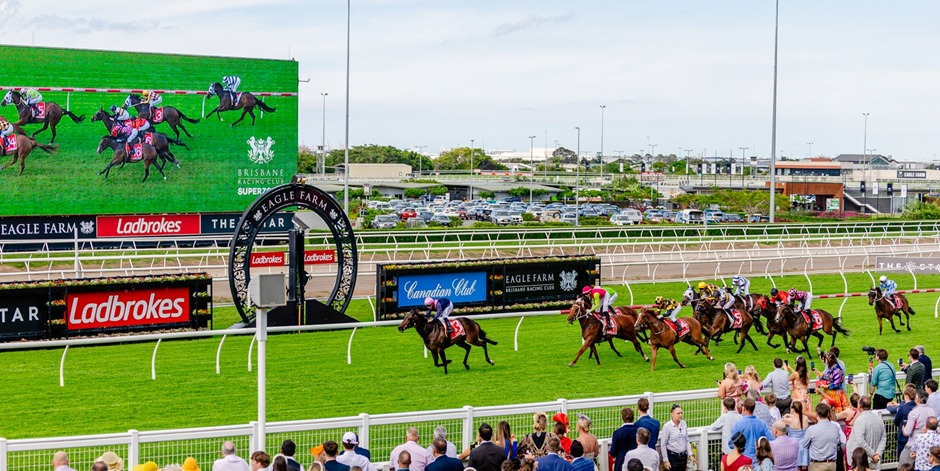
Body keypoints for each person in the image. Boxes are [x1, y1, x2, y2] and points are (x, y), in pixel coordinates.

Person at [799, 403, 846, 471]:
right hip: (831, 464)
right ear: (827, 414)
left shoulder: (812, 429)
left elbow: (805, 445)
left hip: (817, 465)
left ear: (817, 414)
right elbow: (843, 443)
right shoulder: (835, 427)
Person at [845, 397, 886, 470]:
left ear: (860, 406)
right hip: (874, 461)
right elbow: (883, 439)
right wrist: (877, 454)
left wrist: (873, 455)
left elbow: (860, 441)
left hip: (861, 463)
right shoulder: (879, 419)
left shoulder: (860, 420)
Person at [902, 391, 939, 468]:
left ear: (917, 399)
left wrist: (903, 429)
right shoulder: (933, 412)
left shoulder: (913, 413)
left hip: (913, 445)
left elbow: (907, 432)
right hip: (931, 446)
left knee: (903, 465)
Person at [891, 385, 919, 466]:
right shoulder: (916, 407)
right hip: (914, 439)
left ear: (906, 396)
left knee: (902, 462)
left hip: (903, 439)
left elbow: (896, 422)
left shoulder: (903, 408)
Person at [661, 404, 694, 471]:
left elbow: (686, 440)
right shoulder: (667, 426)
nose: (680, 415)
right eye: (678, 413)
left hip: (683, 456)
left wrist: (690, 454)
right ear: (672, 414)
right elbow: (663, 444)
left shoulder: (684, 424)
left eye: (681, 413)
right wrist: (665, 460)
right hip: (672, 457)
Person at [610, 407, 639, 471]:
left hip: (621, 462)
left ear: (622, 418)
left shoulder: (617, 433)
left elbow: (613, 452)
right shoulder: (638, 430)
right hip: (636, 461)